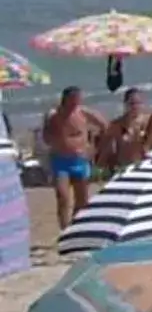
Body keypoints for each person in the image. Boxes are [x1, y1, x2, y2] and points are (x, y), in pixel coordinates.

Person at [41, 88, 101, 231]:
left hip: (80, 160)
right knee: (63, 197)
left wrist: (93, 147)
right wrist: (55, 140)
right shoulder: (54, 115)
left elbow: (106, 126)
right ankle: (64, 230)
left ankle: (75, 227)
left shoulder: (83, 113)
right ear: (65, 99)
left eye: (78, 99)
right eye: (73, 99)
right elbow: (45, 138)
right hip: (60, 160)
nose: (76, 102)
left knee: (82, 199)